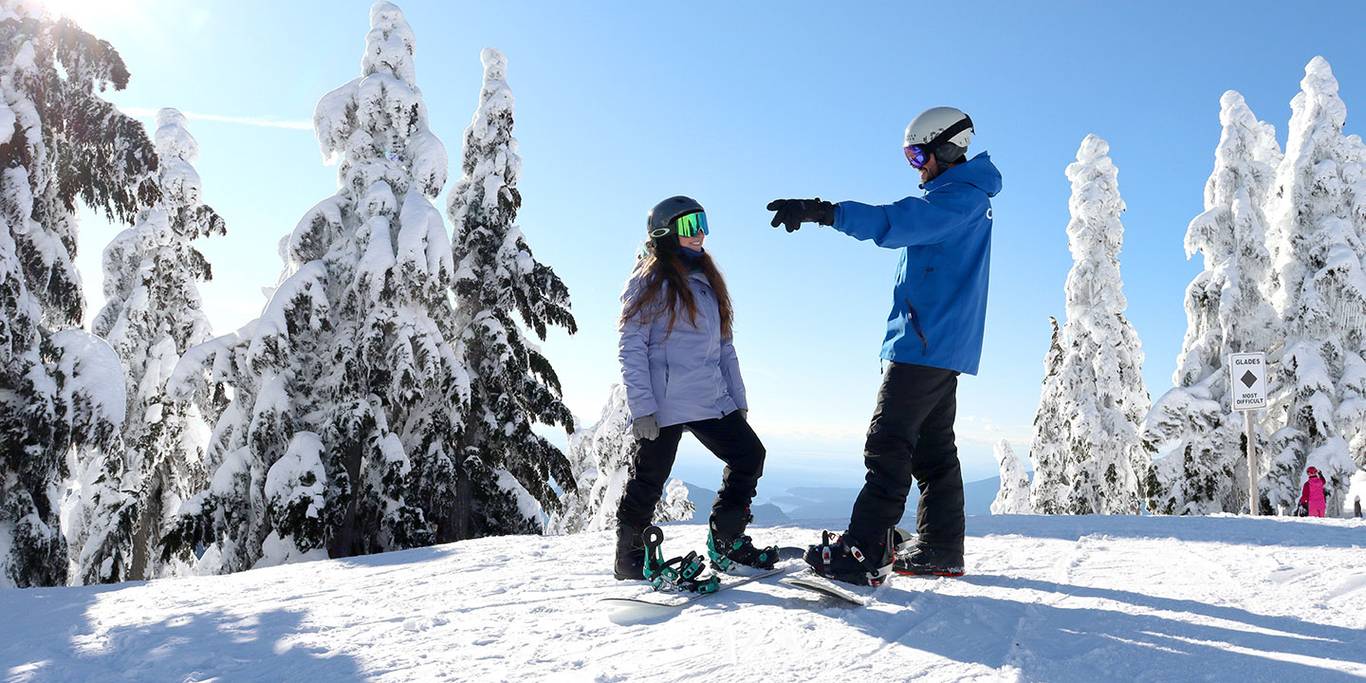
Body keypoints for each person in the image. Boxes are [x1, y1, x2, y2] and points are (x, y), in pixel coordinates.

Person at [767, 106, 1001, 586]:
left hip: (922, 344)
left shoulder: (957, 200)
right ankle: (939, 547)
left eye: (919, 154)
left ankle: (862, 551)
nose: (916, 166)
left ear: (947, 148)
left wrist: (825, 212)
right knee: (932, 451)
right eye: (909, 157)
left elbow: (895, 223)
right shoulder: (964, 198)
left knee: (888, 443)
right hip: (936, 344)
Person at [613, 195, 778, 584]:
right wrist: (642, 409)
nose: (701, 233)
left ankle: (726, 540)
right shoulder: (649, 280)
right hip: (665, 402)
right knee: (649, 478)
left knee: (749, 455)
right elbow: (631, 345)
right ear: (665, 233)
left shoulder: (706, 283)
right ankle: (629, 557)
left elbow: (724, 349)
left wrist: (738, 402)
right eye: (690, 226)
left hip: (708, 397)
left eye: (703, 222)